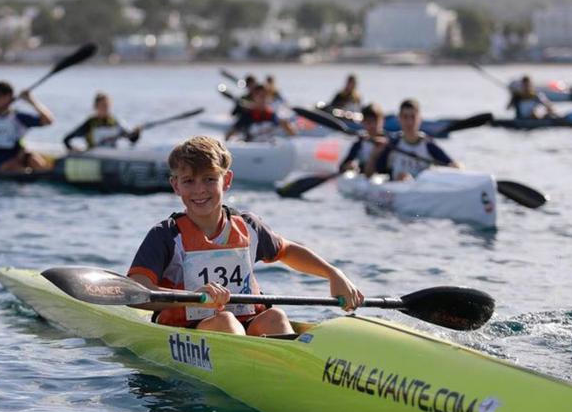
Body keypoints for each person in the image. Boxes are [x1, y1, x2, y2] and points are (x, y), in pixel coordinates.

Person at [127, 135, 363, 335]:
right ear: (176, 185)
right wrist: (191, 297)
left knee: (275, 317)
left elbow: (287, 251)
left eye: (210, 179)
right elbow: (137, 291)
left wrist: (333, 274)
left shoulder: (249, 226)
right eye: (189, 181)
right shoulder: (165, 235)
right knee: (225, 321)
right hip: (187, 331)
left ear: (226, 180)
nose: (199, 189)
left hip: (242, 326)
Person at [371, 99, 461, 181]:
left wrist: (457, 166)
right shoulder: (392, 144)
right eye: (405, 117)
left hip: (421, 191)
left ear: (419, 119)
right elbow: (374, 172)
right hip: (397, 190)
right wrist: (375, 154)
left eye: (413, 117)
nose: (409, 122)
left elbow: (451, 164)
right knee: (403, 178)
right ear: (399, 118)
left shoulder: (428, 144)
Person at [63, 93, 140, 151]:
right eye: (103, 105)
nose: (106, 108)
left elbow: (132, 139)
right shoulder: (90, 123)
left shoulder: (116, 122)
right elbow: (66, 140)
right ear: (95, 107)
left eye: (107, 106)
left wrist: (137, 133)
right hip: (94, 158)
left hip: (112, 157)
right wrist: (75, 150)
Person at [225, 84, 295, 141]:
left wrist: (286, 126)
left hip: (269, 147)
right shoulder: (247, 115)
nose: (263, 99)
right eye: (261, 96)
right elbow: (230, 134)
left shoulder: (271, 115)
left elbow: (291, 134)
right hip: (252, 148)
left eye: (265, 96)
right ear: (254, 97)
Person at [338, 103, 387, 176]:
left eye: (375, 121)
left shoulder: (390, 142)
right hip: (364, 178)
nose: (372, 125)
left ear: (382, 121)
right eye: (368, 122)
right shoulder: (359, 142)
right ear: (363, 123)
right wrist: (348, 166)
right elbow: (342, 166)